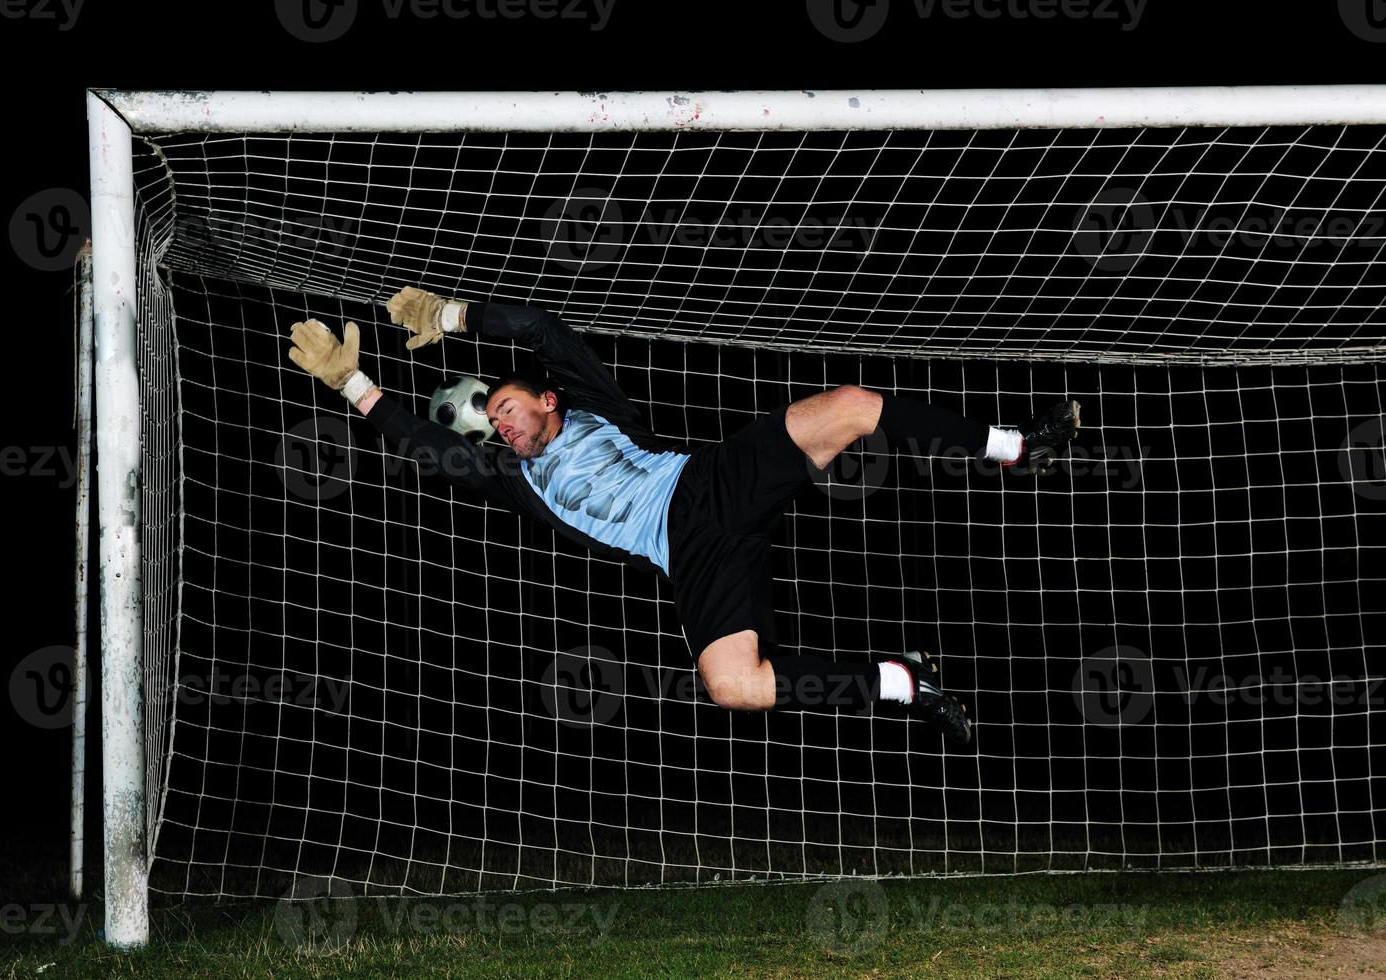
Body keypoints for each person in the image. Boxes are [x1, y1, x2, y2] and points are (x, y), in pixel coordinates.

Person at [287, 287, 1081, 743]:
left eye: (508, 405)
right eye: (493, 422)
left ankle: (1017, 447)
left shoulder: (593, 406)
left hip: (707, 482)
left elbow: (543, 330)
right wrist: (352, 386)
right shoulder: (512, 479)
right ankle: (905, 683)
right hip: (686, 550)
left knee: (851, 406)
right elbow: (425, 442)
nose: (502, 423)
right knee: (734, 686)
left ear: (545, 397)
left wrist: (452, 317)